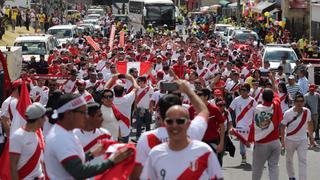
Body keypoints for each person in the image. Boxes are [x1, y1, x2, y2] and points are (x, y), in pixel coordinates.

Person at [131, 78, 209, 179]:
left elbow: (137, 174)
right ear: (181, 109)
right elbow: (204, 111)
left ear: (159, 112)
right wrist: (188, 91)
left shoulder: (146, 138)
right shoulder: (192, 131)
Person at [44, 94, 133, 179]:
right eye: (83, 113)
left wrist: (91, 154)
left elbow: (75, 162)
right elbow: (79, 172)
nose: (86, 117)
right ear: (69, 114)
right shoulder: (60, 138)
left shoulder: (64, 133)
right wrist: (112, 161)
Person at [140, 105, 223, 180]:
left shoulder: (204, 151)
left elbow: (204, 111)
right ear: (164, 123)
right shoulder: (155, 153)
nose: (175, 125)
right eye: (169, 121)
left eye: (180, 121)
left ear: (189, 123)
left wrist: (188, 92)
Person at [252, 74, 283, 180]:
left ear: (262, 97)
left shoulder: (257, 109)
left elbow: (254, 125)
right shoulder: (276, 104)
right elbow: (277, 93)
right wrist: (273, 80)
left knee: (257, 168)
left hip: (261, 143)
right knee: (274, 167)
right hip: (275, 142)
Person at [281, 93, 315, 180]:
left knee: (302, 160)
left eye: (301, 101)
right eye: (298, 101)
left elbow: (310, 124)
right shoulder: (288, 113)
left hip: (302, 140)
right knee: (289, 160)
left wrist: (311, 137)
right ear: (294, 102)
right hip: (290, 140)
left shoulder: (307, 111)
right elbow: (282, 127)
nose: (300, 103)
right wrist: (282, 142)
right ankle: (291, 177)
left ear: (303, 102)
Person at [9, 102, 46, 179]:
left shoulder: (36, 133)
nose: (45, 119)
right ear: (39, 119)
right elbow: (12, 166)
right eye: (44, 117)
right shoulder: (17, 136)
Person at [189, 88, 225, 165]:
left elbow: (222, 126)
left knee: (212, 166)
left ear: (206, 97)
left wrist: (221, 143)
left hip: (211, 142)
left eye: (199, 95)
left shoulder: (214, 109)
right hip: (196, 143)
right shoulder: (191, 109)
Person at [105, 73, 139, 143]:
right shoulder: (128, 98)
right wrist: (131, 77)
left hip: (113, 130)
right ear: (123, 92)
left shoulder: (109, 99)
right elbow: (136, 88)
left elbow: (105, 88)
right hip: (125, 130)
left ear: (114, 92)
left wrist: (113, 78)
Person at [229, 83, 257, 164]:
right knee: (242, 141)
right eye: (241, 90)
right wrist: (230, 124)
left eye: (244, 90)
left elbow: (257, 112)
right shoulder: (236, 100)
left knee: (251, 142)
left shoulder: (252, 101)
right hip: (240, 125)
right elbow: (229, 110)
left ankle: (256, 157)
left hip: (250, 126)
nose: (242, 91)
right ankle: (243, 156)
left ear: (248, 91)